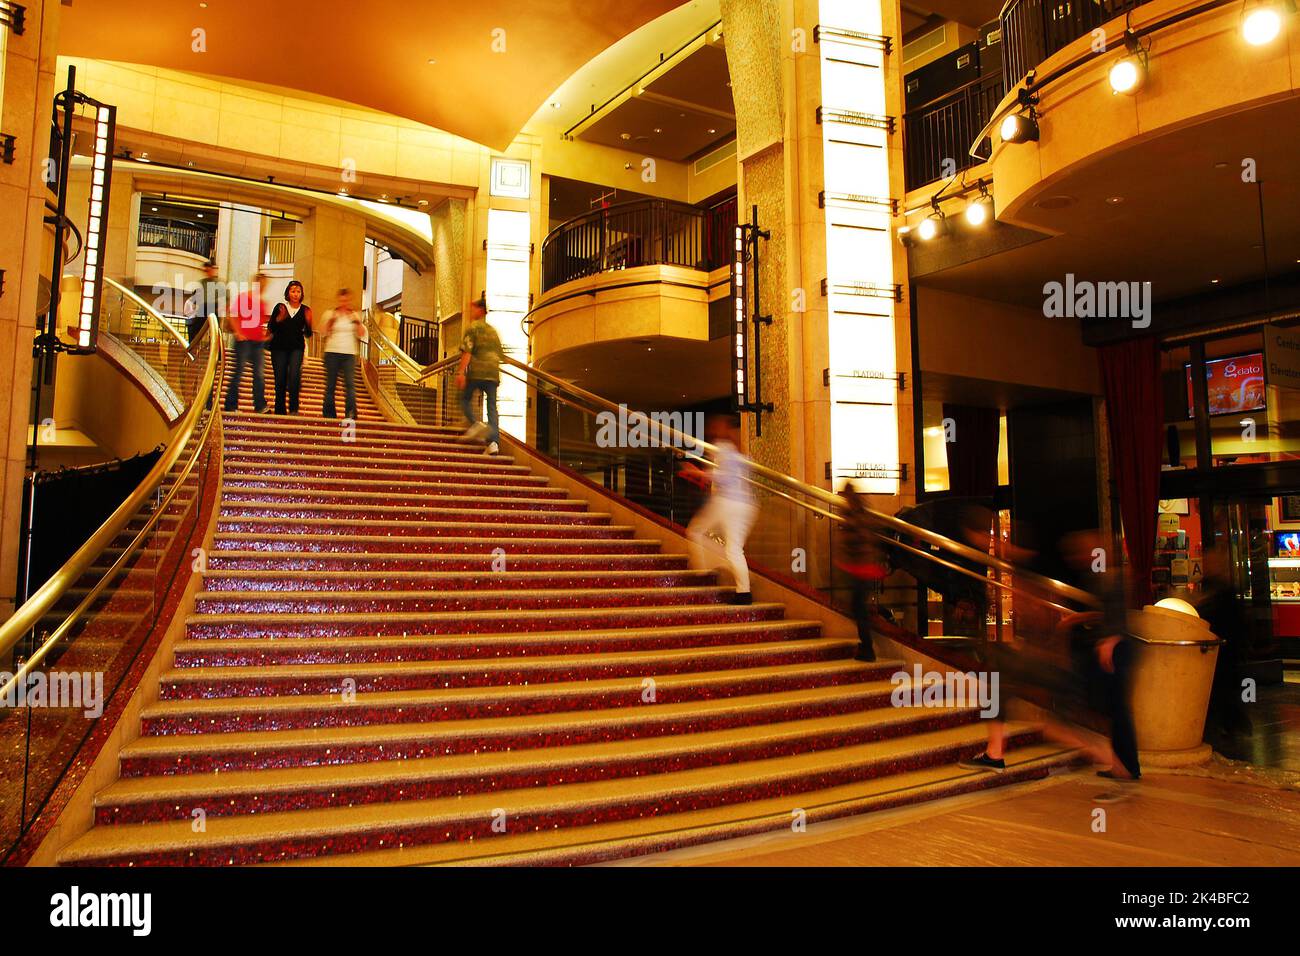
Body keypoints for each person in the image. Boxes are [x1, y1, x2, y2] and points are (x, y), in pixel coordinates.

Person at [679, 414, 759, 606]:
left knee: (696, 531)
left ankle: (705, 570)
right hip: (747, 504)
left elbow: (725, 477)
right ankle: (743, 592)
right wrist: (703, 475)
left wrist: (697, 473)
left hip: (727, 502)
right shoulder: (741, 454)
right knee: (733, 548)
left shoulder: (722, 448)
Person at [835, 484, 890, 661]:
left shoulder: (853, 516)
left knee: (858, 609)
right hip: (866, 568)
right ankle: (866, 645)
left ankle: (867, 648)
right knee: (859, 608)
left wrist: (844, 556)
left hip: (860, 569)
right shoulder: (863, 513)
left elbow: (856, 541)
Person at [456, 296, 502, 455]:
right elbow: (500, 354)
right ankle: (494, 443)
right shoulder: (493, 331)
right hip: (493, 374)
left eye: (474, 308)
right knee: (492, 408)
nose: (471, 311)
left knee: (464, 398)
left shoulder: (473, 328)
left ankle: (475, 424)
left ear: (480, 310)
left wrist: (461, 372)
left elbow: (467, 352)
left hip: (477, 372)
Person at [222, 271, 270, 414]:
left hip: (257, 343)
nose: (263, 286)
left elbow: (260, 322)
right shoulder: (244, 298)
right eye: (261, 283)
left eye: (265, 284)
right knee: (238, 373)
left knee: (259, 374)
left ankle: (260, 405)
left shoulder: (262, 302)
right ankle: (231, 404)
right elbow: (232, 315)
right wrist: (238, 332)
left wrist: (264, 336)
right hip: (244, 342)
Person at [267, 279, 313, 415]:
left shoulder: (305, 310)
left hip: (296, 348)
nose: (295, 294)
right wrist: (278, 319)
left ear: (301, 294)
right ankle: (280, 410)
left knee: (294, 376)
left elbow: (308, 333)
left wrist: (309, 323)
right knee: (280, 379)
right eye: (293, 291)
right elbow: (271, 327)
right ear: (288, 293)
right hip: (278, 348)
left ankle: (294, 409)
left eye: (298, 291)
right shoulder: (280, 307)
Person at [320, 288, 366, 420]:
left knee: (350, 384)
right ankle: (329, 413)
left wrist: (357, 322)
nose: (344, 303)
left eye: (347, 300)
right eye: (342, 300)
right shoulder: (330, 313)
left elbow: (362, 334)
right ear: (338, 300)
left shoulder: (355, 315)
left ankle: (350, 413)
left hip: (349, 353)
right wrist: (332, 321)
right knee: (331, 384)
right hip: (332, 352)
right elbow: (323, 332)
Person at [189, 259, 224, 346]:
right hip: (203, 308)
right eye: (206, 271)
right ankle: (192, 345)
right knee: (193, 328)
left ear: (212, 270)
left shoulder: (218, 283)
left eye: (208, 270)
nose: (207, 273)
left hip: (213, 308)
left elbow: (225, 299)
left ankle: (218, 352)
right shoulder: (202, 283)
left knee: (215, 331)